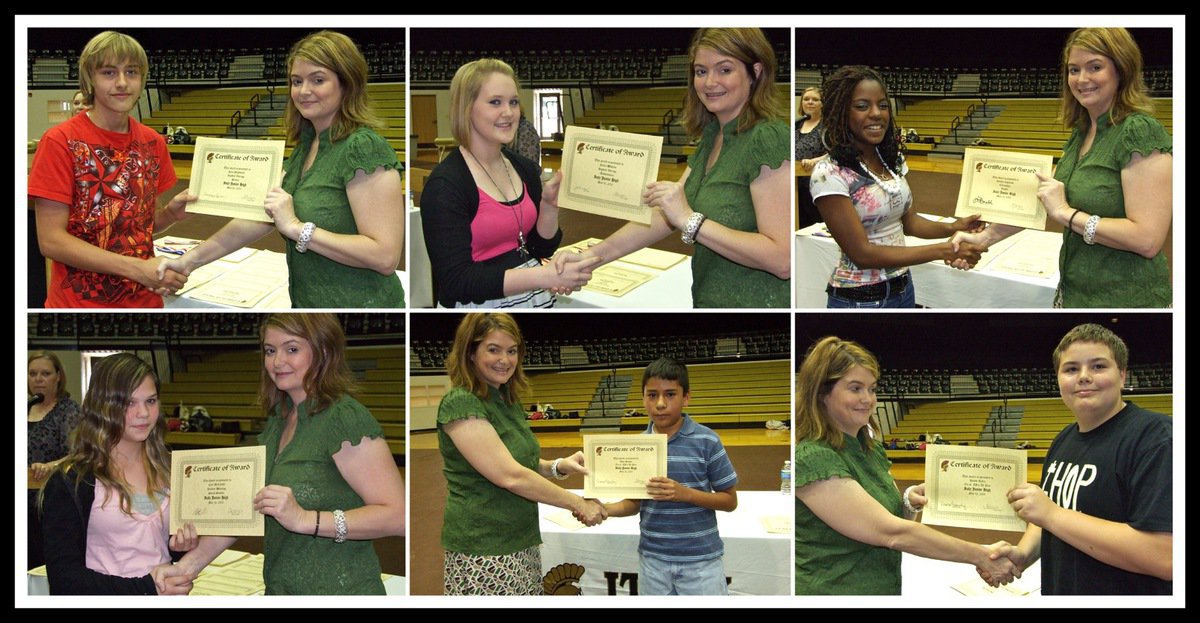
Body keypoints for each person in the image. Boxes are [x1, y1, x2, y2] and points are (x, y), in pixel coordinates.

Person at [159, 31, 405, 308]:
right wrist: (187, 262)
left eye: (318, 80)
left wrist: (298, 229)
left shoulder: (363, 147)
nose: (303, 91)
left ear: (346, 84)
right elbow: (259, 217)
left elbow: (384, 257)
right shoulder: (307, 146)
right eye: (296, 81)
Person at [165, 313, 406, 594]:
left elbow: (397, 517)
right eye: (270, 351)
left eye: (292, 349)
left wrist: (306, 519)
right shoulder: (278, 422)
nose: (277, 362)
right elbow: (246, 513)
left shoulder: (344, 418)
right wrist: (186, 567)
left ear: (323, 351)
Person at [558, 28, 791, 308]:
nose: (709, 82)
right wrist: (592, 256)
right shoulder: (712, 135)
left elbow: (783, 260)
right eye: (701, 71)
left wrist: (691, 221)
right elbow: (666, 215)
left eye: (725, 69)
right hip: (707, 299)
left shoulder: (768, 138)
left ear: (755, 72)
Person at [951, 28, 1172, 307]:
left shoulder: (1139, 131)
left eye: (1095, 67)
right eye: (1074, 69)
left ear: (1122, 69)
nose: (1082, 79)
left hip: (1129, 300)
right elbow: (1042, 200)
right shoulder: (1082, 132)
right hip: (1076, 292)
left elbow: (1147, 239)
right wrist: (984, 238)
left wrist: (1067, 214)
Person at [793, 336, 1016, 595]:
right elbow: (892, 533)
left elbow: (888, 520)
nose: (868, 399)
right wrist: (982, 555)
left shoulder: (869, 448)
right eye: (855, 388)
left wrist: (908, 501)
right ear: (822, 393)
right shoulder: (813, 458)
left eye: (872, 389)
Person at [980, 324, 1171, 594]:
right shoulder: (1062, 440)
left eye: (1098, 367)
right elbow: (1044, 518)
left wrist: (1051, 513)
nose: (1083, 377)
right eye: (1071, 369)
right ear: (1058, 379)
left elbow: (1165, 556)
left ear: (1123, 375)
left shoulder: (1155, 438)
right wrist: (1023, 554)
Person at [437, 313, 607, 594]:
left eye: (512, 350)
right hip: (484, 548)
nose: (505, 359)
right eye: (493, 349)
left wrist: (558, 466)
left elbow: (518, 461)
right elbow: (509, 475)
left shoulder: (504, 399)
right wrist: (579, 503)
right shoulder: (461, 403)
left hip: (520, 539)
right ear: (470, 352)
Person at [29, 31, 196, 307]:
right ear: (90, 80)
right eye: (109, 72)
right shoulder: (60, 141)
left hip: (144, 301)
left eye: (131, 72)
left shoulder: (153, 143)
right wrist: (136, 268)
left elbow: (135, 228)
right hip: (79, 305)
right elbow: (51, 241)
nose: (122, 83)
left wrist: (169, 215)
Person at [420, 59, 597, 308]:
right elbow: (456, 281)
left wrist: (549, 206)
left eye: (513, 102)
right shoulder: (445, 186)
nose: (509, 112)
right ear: (466, 108)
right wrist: (543, 275)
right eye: (495, 102)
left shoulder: (522, 168)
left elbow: (538, 248)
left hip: (532, 296)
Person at [811, 65, 985, 308]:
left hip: (903, 287)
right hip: (861, 299)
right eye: (862, 106)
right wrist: (945, 251)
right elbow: (862, 254)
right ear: (840, 112)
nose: (876, 114)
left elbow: (910, 223)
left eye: (883, 105)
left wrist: (954, 226)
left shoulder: (891, 161)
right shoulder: (829, 173)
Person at [38, 353, 200, 594]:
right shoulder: (71, 481)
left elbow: (154, 547)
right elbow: (64, 579)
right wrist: (146, 589)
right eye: (129, 403)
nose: (143, 413)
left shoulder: (169, 468)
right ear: (103, 406)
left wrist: (181, 546)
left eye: (151, 401)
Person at [599, 358, 738, 595]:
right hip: (653, 560)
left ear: (686, 397)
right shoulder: (638, 447)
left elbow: (729, 501)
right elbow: (635, 503)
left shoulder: (707, 441)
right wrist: (604, 509)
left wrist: (685, 494)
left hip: (701, 560)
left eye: (670, 394)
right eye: (652, 395)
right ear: (643, 398)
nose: (660, 403)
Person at [27, 351, 82, 569]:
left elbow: (79, 453)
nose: (38, 379)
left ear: (58, 376)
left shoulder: (68, 410)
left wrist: (51, 466)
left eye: (45, 373)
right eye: (32, 373)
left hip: (50, 499)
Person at [795, 86, 826, 229]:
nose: (810, 102)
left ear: (822, 104)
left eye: (815, 99)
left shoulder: (827, 126)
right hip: (795, 186)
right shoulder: (797, 125)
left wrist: (815, 161)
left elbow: (836, 152)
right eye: (806, 99)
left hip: (817, 184)